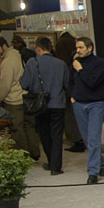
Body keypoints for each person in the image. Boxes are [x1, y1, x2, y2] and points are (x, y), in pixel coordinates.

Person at [20, 37, 70, 175]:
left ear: (38, 48)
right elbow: (67, 85)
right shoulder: (61, 64)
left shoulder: (32, 62)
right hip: (58, 103)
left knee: (44, 134)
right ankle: (56, 167)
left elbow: (24, 84)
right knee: (57, 135)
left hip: (40, 104)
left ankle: (50, 160)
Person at [70, 37, 104, 184]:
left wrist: (80, 70)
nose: (78, 50)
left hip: (96, 104)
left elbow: (92, 82)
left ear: (89, 48)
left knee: (93, 139)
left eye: (81, 47)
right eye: (77, 48)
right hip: (79, 104)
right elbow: (70, 81)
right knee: (88, 140)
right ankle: (102, 164)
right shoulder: (74, 63)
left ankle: (93, 173)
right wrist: (72, 96)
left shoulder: (99, 63)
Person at [0, 35, 34, 158]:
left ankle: (23, 155)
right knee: (29, 126)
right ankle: (34, 152)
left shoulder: (7, 61)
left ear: (4, 46)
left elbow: (5, 83)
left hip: (14, 100)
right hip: (26, 97)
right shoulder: (18, 55)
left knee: (17, 128)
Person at [54, 31, 84, 153]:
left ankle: (77, 140)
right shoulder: (72, 44)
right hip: (80, 91)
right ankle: (81, 139)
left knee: (70, 116)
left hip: (69, 90)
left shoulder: (61, 44)